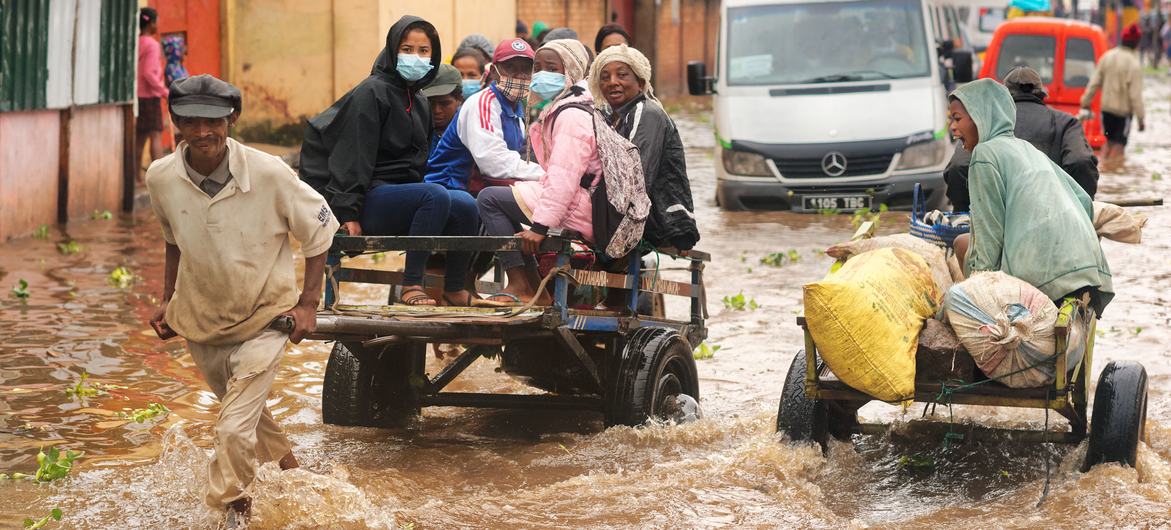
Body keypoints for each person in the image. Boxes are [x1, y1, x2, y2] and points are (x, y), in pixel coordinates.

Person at [145, 74, 338, 527]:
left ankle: (235, 514)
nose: (202, 132)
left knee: (232, 427)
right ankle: (298, 477)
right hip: (203, 320)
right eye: (190, 122)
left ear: (231, 119)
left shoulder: (269, 172)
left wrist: (308, 304)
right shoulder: (161, 177)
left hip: (266, 318)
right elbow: (173, 240)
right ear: (176, 122)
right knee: (247, 414)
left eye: (213, 121)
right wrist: (169, 300)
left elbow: (320, 228)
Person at [299, 15, 482, 307]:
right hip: (369, 198)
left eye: (423, 51)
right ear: (392, 50)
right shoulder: (372, 92)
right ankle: (411, 284)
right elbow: (353, 156)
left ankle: (455, 287)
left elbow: (419, 165)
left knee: (465, 203)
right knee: (433, 195)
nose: (416, 57)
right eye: (407, 50)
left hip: (401, 197)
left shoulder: (420, 99)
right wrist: (348, 213)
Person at [948, 79, 1113, 316]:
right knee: (965, 242)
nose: (952, 127)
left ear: (980, 116)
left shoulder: (984, 155)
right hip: (1087, 272)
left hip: (1039, 280)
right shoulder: (1025, 148)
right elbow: (1083, 200)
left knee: (959, 264)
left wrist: (978, 295)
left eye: (957, 118)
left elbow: (989, 238)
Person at [476, 39, 599, 305]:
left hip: (582, 207)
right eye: (538, 67)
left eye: (552, 68)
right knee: (501, 196)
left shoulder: (571, 116)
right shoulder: (566, 107)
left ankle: (521, 284)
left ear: (571, 71)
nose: (542, 74)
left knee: (489, 199)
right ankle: (533, 289)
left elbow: (564, 178)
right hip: (579, 202)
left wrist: (540, 227)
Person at [588, 44, 699, 251]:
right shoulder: (617, 117)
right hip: (645, 216)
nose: (613, 82)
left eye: (622, 75)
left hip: (664, 222)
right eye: (605, 77)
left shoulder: (646, 112)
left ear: (640, 81)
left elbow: (637, 177)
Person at [944, 66, 1099, 211]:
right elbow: (1081, 162)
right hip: (1057, 214)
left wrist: (965, 213)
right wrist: (1081, 210)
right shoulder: (1066, 122)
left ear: (1002, 97)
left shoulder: (984, 124)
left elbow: (958, 167)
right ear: (1041, 95)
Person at [426, 38, 544, 193]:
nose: (520, 75)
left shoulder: (518, 109)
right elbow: (493, 163)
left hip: (482, 187)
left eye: (526, 68)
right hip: (450, 188)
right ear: (494, 72)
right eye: (511, 67)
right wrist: (545, 175)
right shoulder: (483, 103)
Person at [1080, 23, 1145, 173]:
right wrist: (1141, 119)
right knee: (1119, 146)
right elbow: (1135, 96)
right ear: (1136, 43)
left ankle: (1100, 172)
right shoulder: (1133, 64)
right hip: (1123, 115)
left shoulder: (1107, 57)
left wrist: (1085, 102)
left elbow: (1094, 83)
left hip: (1106, 111)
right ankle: (1113, 174)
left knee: (1108, 142)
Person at [137, 7, 168, 176]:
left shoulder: (137, 42)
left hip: (138, 97)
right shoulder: (152, 45)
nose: (158, 25)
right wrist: (164, 91)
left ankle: (136, 178)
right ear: (151, 24)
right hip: (150, 97)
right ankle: (160, 177)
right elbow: (148, 73)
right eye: (157, 21)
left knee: (139, 139)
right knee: (156, 136)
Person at [420, 64, 464, 158]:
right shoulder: (415, 129)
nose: (437, 110)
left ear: (459, 99)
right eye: (430, 104)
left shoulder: (469, 129)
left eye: (444, 104)